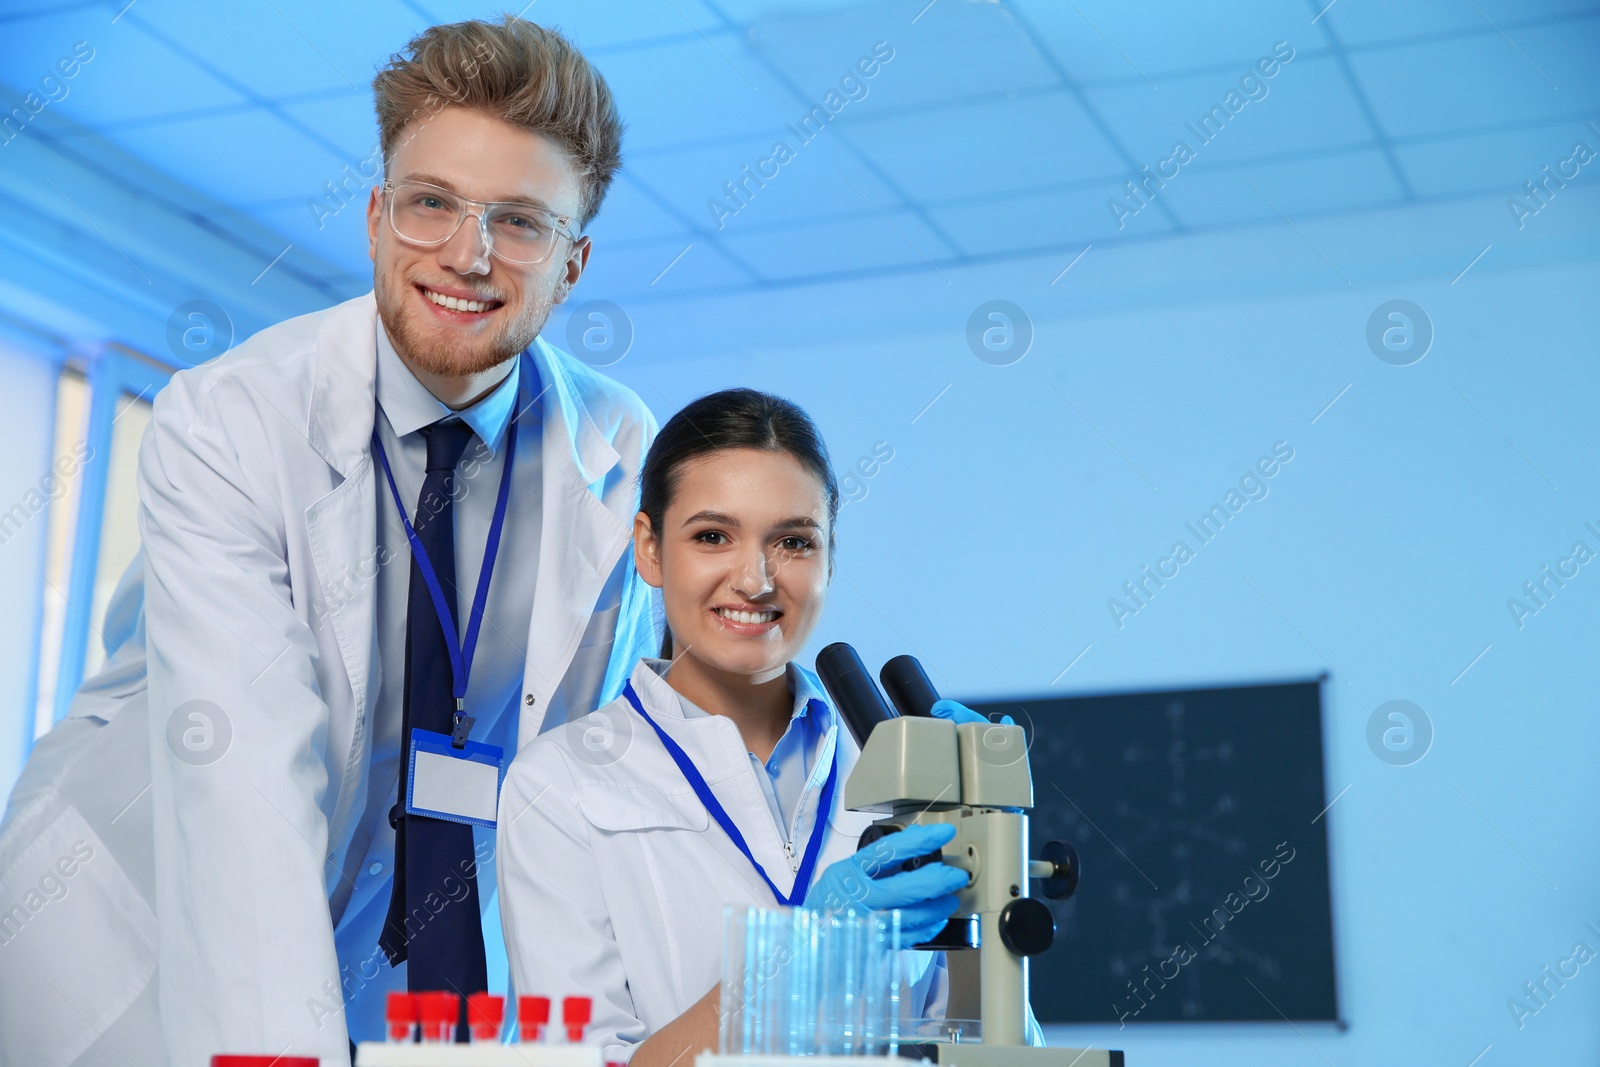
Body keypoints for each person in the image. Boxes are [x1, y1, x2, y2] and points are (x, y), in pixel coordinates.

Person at [0, 17, 658, 1067]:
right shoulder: (229, 420)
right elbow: (242, 772)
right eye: (430, 203)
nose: (467, 254)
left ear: (573, 264)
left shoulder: (614, 444)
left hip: (383, 966)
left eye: (520, 223)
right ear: (373, 218)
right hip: (131, 929)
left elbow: (596, 756)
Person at [497, 389, 1041, 1065]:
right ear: (650, 549)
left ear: (829, 558)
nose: (754, 580)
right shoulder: (559, 785)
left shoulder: (902, 770)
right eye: (712, 536)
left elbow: (986, 1045)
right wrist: (804, 955)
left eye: (792, 541)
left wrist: (992, 873)